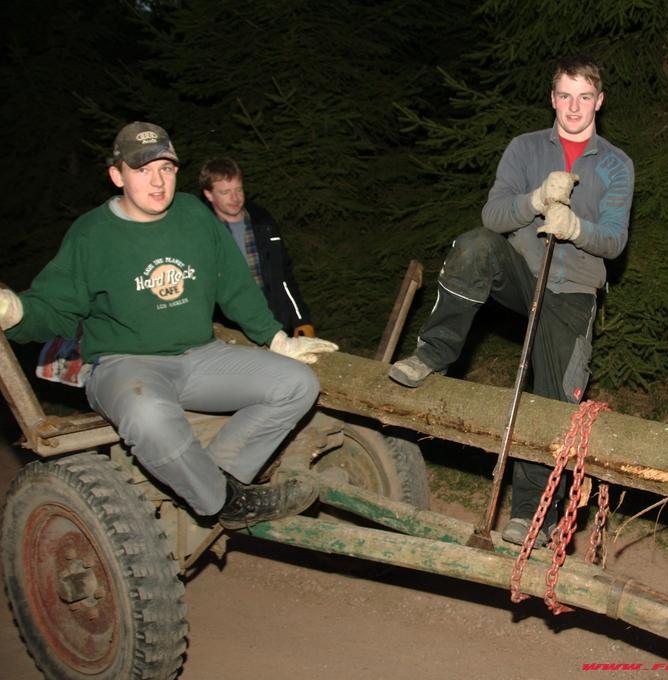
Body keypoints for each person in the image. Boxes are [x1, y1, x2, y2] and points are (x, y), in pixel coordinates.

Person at [0, 122, 338, 529]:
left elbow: (234, 286)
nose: (157, 182)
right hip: (125, 365)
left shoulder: (195, 215)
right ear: (117, 175)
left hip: (200, 356)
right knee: (149, 417)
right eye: (142, 170)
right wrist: (15, 312)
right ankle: (224, 502)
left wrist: (276, 337)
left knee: (297, 384)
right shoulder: (92, 235)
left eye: (166, 168)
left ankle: (219, 477)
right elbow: (55, 310)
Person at [389, 56, 635, 545]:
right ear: (552, 97)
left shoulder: (615, 164)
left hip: (574, 291)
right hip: (523, 271)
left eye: (584, 97)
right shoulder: (525, 150)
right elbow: (494, 214)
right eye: (565, 95)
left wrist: (574, 227)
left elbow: (614, 241)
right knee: (474, 244)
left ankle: (531, 514)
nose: (574, 107)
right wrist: (537, 201)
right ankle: (433, 354)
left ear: (599, 102)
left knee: (550, 403)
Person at [198, 158, 314, 336]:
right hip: (231, 329)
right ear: (209, 195)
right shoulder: (203, 231)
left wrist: (301, 319)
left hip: (274, 322)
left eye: (238, 189)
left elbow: (283, 277)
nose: (235, 198)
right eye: (225, 192)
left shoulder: (263, 223)